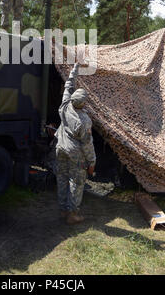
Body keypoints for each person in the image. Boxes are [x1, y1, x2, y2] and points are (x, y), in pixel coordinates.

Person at [55, 62, 96, 225]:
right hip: (75, 155)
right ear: (83, 104)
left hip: (60, 149)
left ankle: (63, 209)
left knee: (62, 178)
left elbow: (69, 84)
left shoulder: (64, 106)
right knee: (76, 182)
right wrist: (92, 162)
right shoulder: (84, 121)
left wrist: (75, 68)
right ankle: (72, 213)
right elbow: (87, 144)